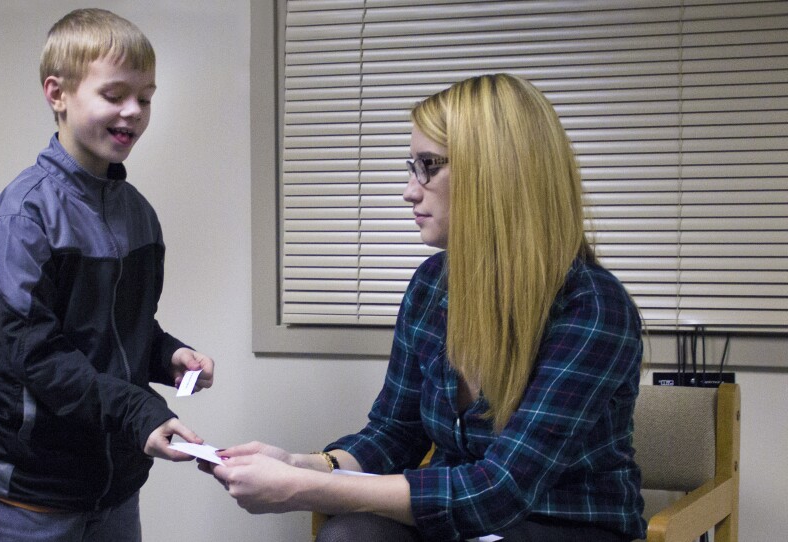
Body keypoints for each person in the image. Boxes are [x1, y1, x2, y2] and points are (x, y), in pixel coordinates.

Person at [204, 74, 646, 542]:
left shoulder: (593, 306)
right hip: (462, 520)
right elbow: (395, 435)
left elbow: (500, 490)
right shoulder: (432, 285)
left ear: (495, 172)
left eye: (429, 166)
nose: (410, 191)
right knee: (350, 536)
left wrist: (307, 489)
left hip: (562, 524)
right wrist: (307, 464)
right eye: (412, 166)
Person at [0, 8, 214, 541]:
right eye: (114, 95)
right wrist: (138, 411)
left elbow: (119, 330)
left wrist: (166, 354)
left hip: (115, 487)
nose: (133, 111)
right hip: (31, 495)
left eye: (145, 98)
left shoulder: (140, 215)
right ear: (57, 93)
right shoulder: (24, 216)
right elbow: (36, 354)